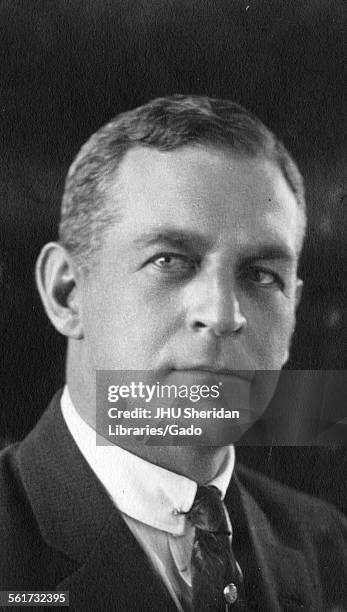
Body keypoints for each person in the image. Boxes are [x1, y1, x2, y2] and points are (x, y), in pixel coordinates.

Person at [0, 95, 346, 611]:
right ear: (67, 294)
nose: (225, 314)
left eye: (261, 275)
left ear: (294, 309)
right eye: (170, 260)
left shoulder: (328, 546)